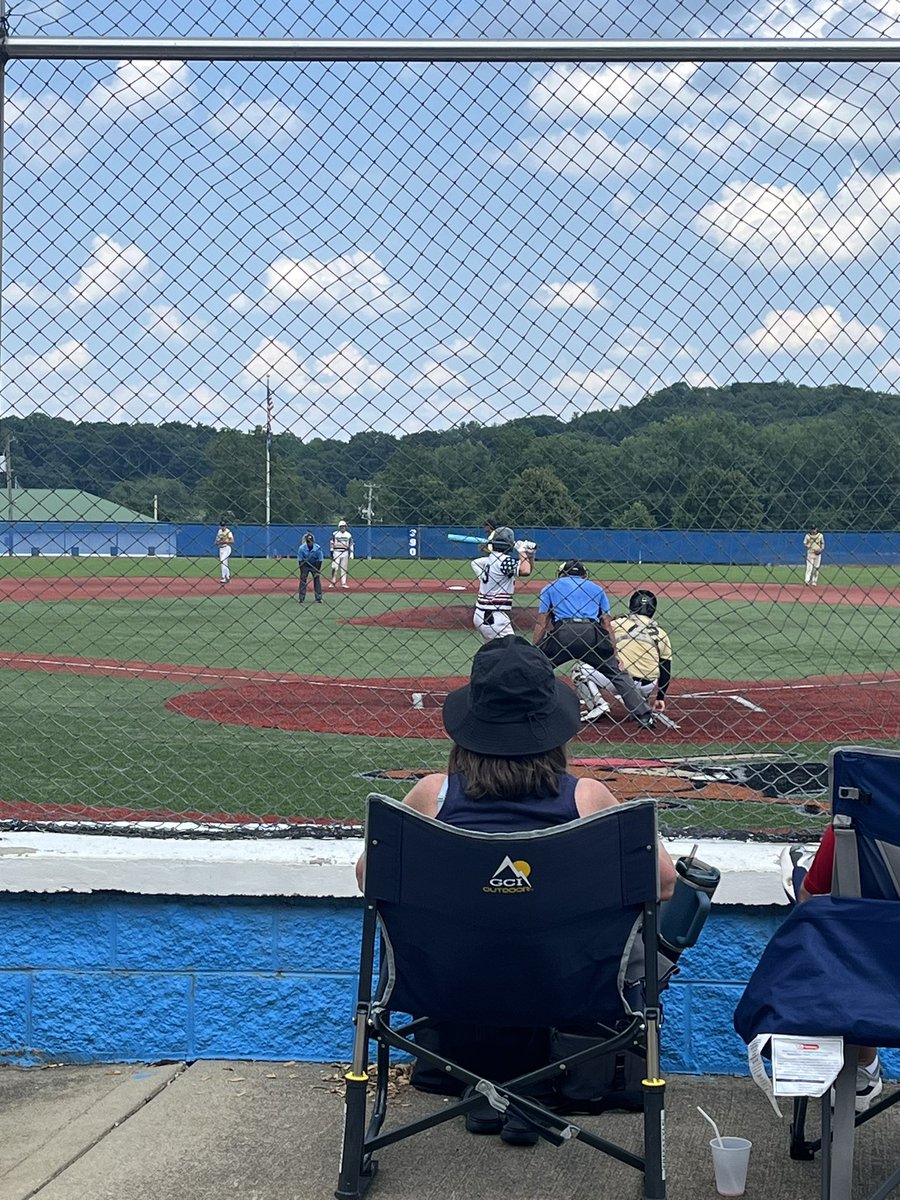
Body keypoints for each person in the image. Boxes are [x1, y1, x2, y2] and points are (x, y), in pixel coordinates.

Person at [355, 636, 676, 1143]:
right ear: (553, 729)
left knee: (494, 947)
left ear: (469, 726)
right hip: (572, 988)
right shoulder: (588, 798)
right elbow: (663, 884)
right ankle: (539, 1087)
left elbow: (368, 879)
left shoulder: (430, 796)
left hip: (447, 985)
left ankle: (483, 1084)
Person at [795, 828, 883, 1111]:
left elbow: (811, 896)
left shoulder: (860, 811)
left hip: (868, 966)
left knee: (822, 913)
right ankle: (862, 1067)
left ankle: (860, 1064)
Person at [533, 561, 659, 731]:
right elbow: (606, 624)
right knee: (618, 673)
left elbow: (542, 621)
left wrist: (535, 649)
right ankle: (644, 716)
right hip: (591, 635)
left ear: (562, 573)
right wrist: (614, 653)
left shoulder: (550, 587)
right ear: (584, 574)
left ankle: (525, 708)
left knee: (535, 669)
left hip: (563, 633)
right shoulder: (597, 589)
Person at [589, 590, 673, 718]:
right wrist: (660, 697)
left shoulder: (618, 623)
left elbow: (598, 640)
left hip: (621, 681)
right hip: (647, 686)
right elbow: (665, 669)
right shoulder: (661, 633)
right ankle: (639, 702)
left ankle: (598, 705)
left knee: (579, 670)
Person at [469, 525, 532, 642]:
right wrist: (522, 551)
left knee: (494, 653)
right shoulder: (504, 561)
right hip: (495, 617)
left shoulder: (491, 559)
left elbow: (526, 567)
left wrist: (530, 555)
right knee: (513, 652)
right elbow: (526, 571)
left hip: (481, 614)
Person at [297, 532, 324, 603]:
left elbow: (320, 560)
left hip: (315, 564)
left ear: (313, 542)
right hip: (305, 564)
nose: (309, 543)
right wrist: (302, 571)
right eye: (308, 542)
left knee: (317, 579)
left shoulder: (318, 548)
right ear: (306, 542)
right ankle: (301, 598)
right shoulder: (301, 548)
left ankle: (318, 597)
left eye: (311, 542)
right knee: (303, 579)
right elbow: (300, 561)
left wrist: (317, 571)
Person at [330, 520, 354, 589]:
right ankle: (333, 581)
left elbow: (351, 544)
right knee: (334, 567)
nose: (343, 528)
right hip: (336, 552)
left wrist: (351, 553)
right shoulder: (335, 534)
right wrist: (331, 551)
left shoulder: (348, 535)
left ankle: (343, 582)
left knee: (344, 568)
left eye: (344, 526)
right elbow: (332, 542)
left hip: (345, 552)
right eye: (341, 526)